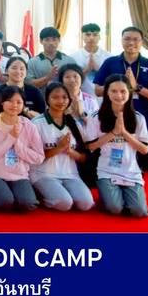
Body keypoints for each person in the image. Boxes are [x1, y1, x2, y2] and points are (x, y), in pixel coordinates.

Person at [93, 26, 148, 173]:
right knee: (115, 162)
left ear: (142, 42)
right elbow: (98, 91)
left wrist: (137, 87)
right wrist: (119, 87)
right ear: (121, 40)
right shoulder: (111, 62)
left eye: (135, 39)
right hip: (114, 116)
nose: (131, 43)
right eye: (127, 39)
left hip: (143, 117)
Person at [87, 74, 148, 217]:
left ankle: (124, 198)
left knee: (139, 211)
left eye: (123, 91)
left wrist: (125, 133)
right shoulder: (95, 117)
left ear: (129, 93)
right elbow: (91, 147)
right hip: (107, 170)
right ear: (107, 93)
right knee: (115, 208)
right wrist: (114, 133)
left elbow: (144, 149)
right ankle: (109, 196)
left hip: (131, 171)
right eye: (114, 91)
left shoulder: (139, 118)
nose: (119, 95)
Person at [30, 83, 94, 212]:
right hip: (43, 174)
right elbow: (33, 158)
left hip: (70, 174)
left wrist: (69, 150)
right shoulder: (36, 123)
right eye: (55, 97)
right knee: (64, 203)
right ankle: (38, 194)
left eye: (64, 97)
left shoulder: (74, 123)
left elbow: (84, 158)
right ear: (47, 99)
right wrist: (58, 148)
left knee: (86, 204)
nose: (61, 101)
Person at [0, 86, 45, 211]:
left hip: (19, 175)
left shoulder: (29, 125)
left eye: (19, 102)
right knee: (5, 202)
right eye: (10, 101)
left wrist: (18, 145)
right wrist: (10, 139)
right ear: (2, 102)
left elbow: (39, 157)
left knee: (27, 204)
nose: (14, 105)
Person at [26, 26, 76, 93]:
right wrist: (48, 77)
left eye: (54, 39)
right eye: (47, 40)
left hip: (65, 98)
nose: (51, 43)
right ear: (41, 41)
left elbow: (76, 82)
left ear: (59, 40)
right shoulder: (32, 62)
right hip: (41, 99)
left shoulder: (69, 61)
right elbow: (29, 84)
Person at [71, 23, 111, 96]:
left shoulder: (109, 57)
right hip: (82, 97)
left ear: (99, 37)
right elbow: (70, 80)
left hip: (104, 97)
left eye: (95, 35)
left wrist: (99, 70)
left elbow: (113, 80)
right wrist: (87, 70)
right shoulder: (73, 57)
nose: (91, 38)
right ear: (82, 37)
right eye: (88, 35)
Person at [58, 63, 99, 129]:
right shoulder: (57, 100)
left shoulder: (90, 100)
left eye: (75, 76)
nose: (72, 80)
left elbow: (97, 125)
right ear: (62, 81)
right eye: (67, 77)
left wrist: (82, 114)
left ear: (81, 78)